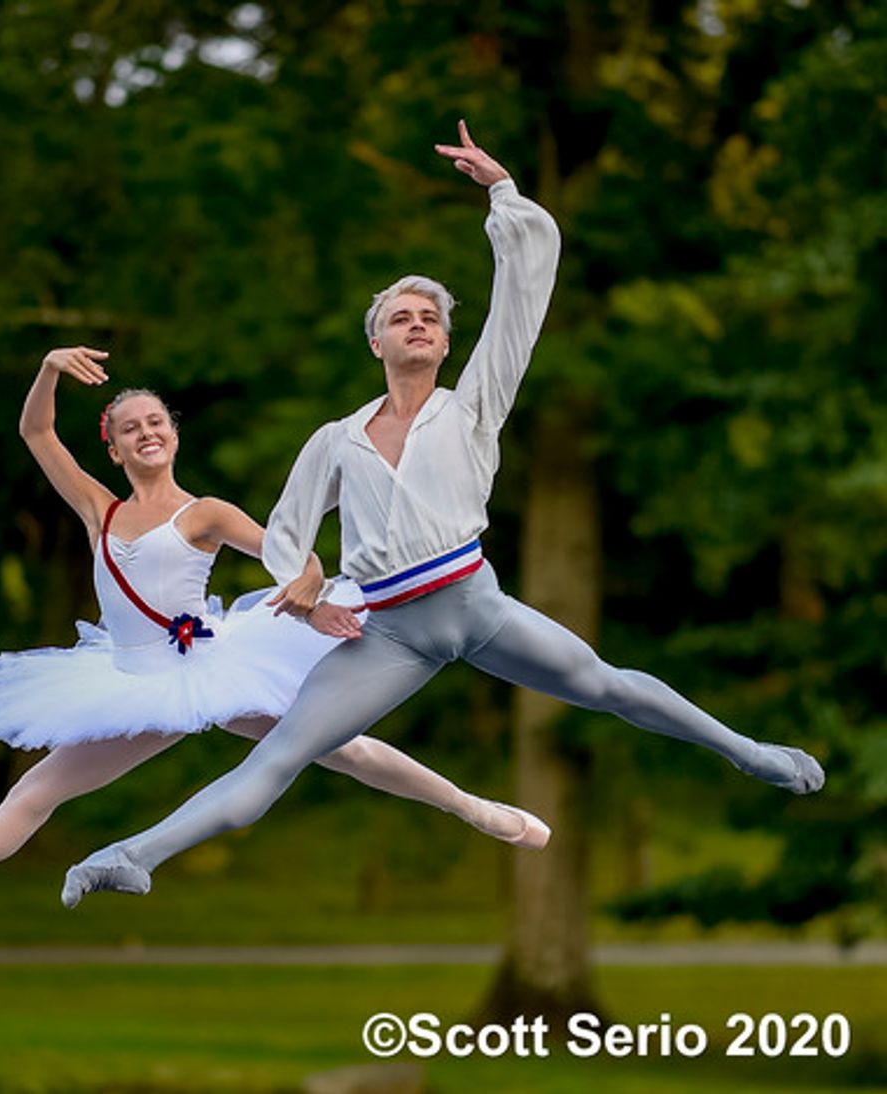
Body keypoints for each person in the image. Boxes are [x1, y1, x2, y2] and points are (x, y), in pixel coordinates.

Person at [61, 121, 825, 909]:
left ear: (448, 340)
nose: (418, 322)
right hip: (388, 633)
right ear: (377, 343)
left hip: (478, 606)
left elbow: (522, 298)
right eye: (402, 316)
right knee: (278, 758)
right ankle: (129, 853)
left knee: (609, 684)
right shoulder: (337, 440)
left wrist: (501, 192)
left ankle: (747, 751)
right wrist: (310, 591)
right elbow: (287, 534)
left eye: (431, 315)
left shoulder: (473, 409)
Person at [0, 342, 549, 947]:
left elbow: (289, 554)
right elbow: (37, 435)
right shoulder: (97, 510)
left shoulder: (204, 514)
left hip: (208, 665)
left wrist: (311, 587)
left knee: (341, 747)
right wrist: (47, 368)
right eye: (130, 427)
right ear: (112, 447)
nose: (146, 432)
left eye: (156, 422)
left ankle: (472, 808)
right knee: (33, 794)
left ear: (173, 435)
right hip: (130, 679)